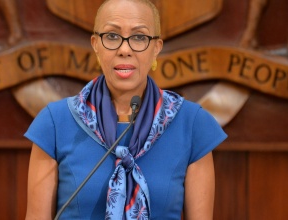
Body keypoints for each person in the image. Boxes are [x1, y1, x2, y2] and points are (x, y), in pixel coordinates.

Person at [24, 0, 227, 219]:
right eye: (112, 36)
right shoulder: (55, 123)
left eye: (139, 37)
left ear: (156, 48)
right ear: (95, 44)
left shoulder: (192, 124)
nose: (124, 49)